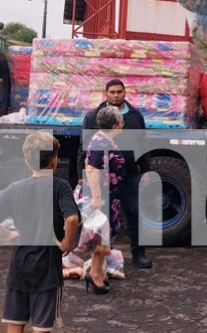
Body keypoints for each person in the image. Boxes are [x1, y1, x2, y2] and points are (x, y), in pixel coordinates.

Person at [0, 132, 79, 333]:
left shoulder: (16, 188)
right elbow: (72, 218)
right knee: (42, 327)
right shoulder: (60, 186)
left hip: (20, 265)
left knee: (15, 323)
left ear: (26, 160)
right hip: (47, 267)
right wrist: (67, 243)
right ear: (55, 161)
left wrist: (8, 235)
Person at [80, 78, 152, 269]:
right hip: (104, 179)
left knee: (134, 211)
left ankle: (139, 254)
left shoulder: (135, 116)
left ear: (125, 92)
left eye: (119, 91)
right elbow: (86, 146)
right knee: (105, 218)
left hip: (129, 174)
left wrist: (146, 169)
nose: (116, 95)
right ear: (106, 93)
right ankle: (104, 257)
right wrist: (81, 175)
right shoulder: (95, 116)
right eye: (112, 92)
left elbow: (143, 143)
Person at [80, 106, 127, 294]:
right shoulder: (101, 142)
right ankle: (96, 275)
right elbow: (91, 168)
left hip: (110, 197)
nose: (123, 125)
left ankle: (96, 272)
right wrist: (98, 198)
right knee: (101, 240)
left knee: (103, 238)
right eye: (121, 122)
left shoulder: (102, 140)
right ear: (116, 125)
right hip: (102, 198)